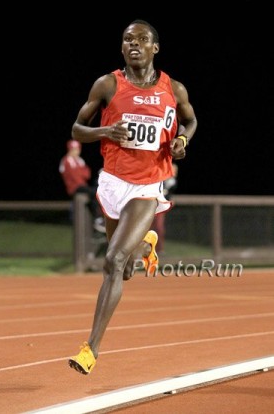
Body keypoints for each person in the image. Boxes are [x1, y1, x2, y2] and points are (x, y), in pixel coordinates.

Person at [68, 19, 198, 375]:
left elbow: (191, 120)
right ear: (122, 47)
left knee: (112, 260)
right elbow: (77, 128)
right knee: (124, 271)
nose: (134, 44)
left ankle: (90, 349)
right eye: (128, 39)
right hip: (112, 182)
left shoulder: (174, 88)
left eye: (142, 39)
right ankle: (145, 246)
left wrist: (183, 140)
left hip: (147, 185)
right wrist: (105, 130)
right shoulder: (108, 84)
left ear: (156, 47)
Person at [59, 139, 105, 232]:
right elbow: (73, 176)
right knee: (94, 192)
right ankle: (98, 219)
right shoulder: (66, 160)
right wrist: (80, 172)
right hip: (74, 188)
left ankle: (99, 219)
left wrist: (79, 172)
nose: (76, 151)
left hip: (82, 186)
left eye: (77, 149)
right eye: (73, 149)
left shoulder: (79, 160)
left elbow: (87, 174)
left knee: (98, 191)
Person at [151, 162, 178, 254]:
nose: (174, 172)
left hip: (160, 205)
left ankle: (159, 249)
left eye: (175, 170)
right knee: (148, 227)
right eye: (172, 169)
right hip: (151, 203)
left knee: (159, 227)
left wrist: (169, 200)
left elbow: (168, 193)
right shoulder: (161, 176)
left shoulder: (172, 180)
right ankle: (145, 248)